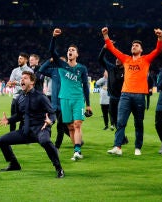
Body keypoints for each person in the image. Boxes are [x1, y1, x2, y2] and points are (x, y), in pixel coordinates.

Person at [101, 26, 162, 156]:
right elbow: (112, 49)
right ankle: (118, 147)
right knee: (120, 122)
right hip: (125, 95)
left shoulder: (146, 59)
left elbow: (158, 50)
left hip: (140, 95)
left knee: (138, 123)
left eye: (136, 45)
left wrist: (160, 37)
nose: (134, 46)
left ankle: (138, 147)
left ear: (141, 49)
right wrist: (106, 36)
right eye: (133, 45)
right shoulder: (126, 59)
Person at [0, 71, 64, 178]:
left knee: (45, 141)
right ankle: (14, 164)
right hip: (25, 131)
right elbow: (19, 116)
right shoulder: (19, 98)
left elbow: (52, 113)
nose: (22, 80)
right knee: (1, 140)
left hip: (41, 129)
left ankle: (59, 168)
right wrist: (8, 120)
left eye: (25, 78)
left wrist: (50, 121)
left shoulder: (41, 97)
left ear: (32, 82)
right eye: (21, 78)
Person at [50, 28, 91, 161]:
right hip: (64, 99)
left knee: (77, 124)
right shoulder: (61, 65)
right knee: (70, 127)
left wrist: (88, 104)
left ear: (77, 54)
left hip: (78, 99)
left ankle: (77, 150)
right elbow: (52, 52)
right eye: (68, 50)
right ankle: (76, 151)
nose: (70, 51)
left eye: (73, 50)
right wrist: (54, 38)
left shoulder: (82, 68)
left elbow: (85, 86)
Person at [39, 57, 70, 150]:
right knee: (52, 124)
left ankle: (56, 146)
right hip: (53, 104)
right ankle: (77, 140)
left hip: (64, 103)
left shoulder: (70, 73)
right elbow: (41, 70)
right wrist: (50, 61)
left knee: (60, 126)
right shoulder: (54, 71)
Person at [7, 52, 33, 132]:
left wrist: (17, 83)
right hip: (15, 97)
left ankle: (22, 135)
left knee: (24, 118)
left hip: (25, 97)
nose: (19, 60)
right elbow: (10, 82)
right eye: (18, 58)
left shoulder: (30, 71)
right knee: (12, 118)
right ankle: (11, 136)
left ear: (26, 60)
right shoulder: (15, 70)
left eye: (21, 58)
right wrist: (9, 84)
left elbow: (30, 84)